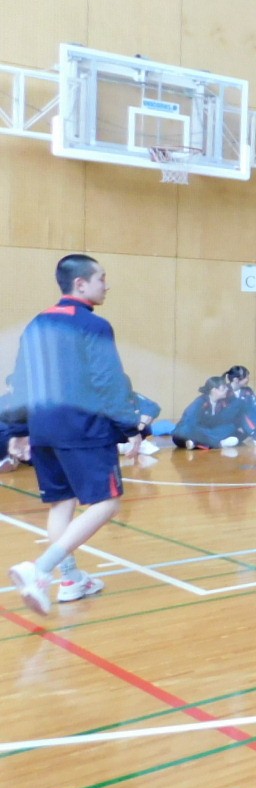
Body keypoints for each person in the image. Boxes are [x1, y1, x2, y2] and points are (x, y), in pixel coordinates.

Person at [8, 254, 139, 612]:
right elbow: (108, 381)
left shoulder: (37, 324)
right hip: (83, 429)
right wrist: (131, 428)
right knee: (107, 502)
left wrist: (19, 429)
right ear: (81, 284)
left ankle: (71, 580)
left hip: (43, 430)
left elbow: (22, 381)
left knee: (62, 503)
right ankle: (41, 569)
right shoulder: (94, 326)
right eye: (101, 278)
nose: (107, 285)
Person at [173, 377, 244, 450]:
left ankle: (198, 443)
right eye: (223, 388)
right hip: (194, 431)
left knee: (232, 427)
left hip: (210, 431)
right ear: (214, 390)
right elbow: (189, 422)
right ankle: (216, 443)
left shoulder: (223, 403)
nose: (227, 389)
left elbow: (225, 420)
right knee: (184, 431)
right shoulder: (200, 402)